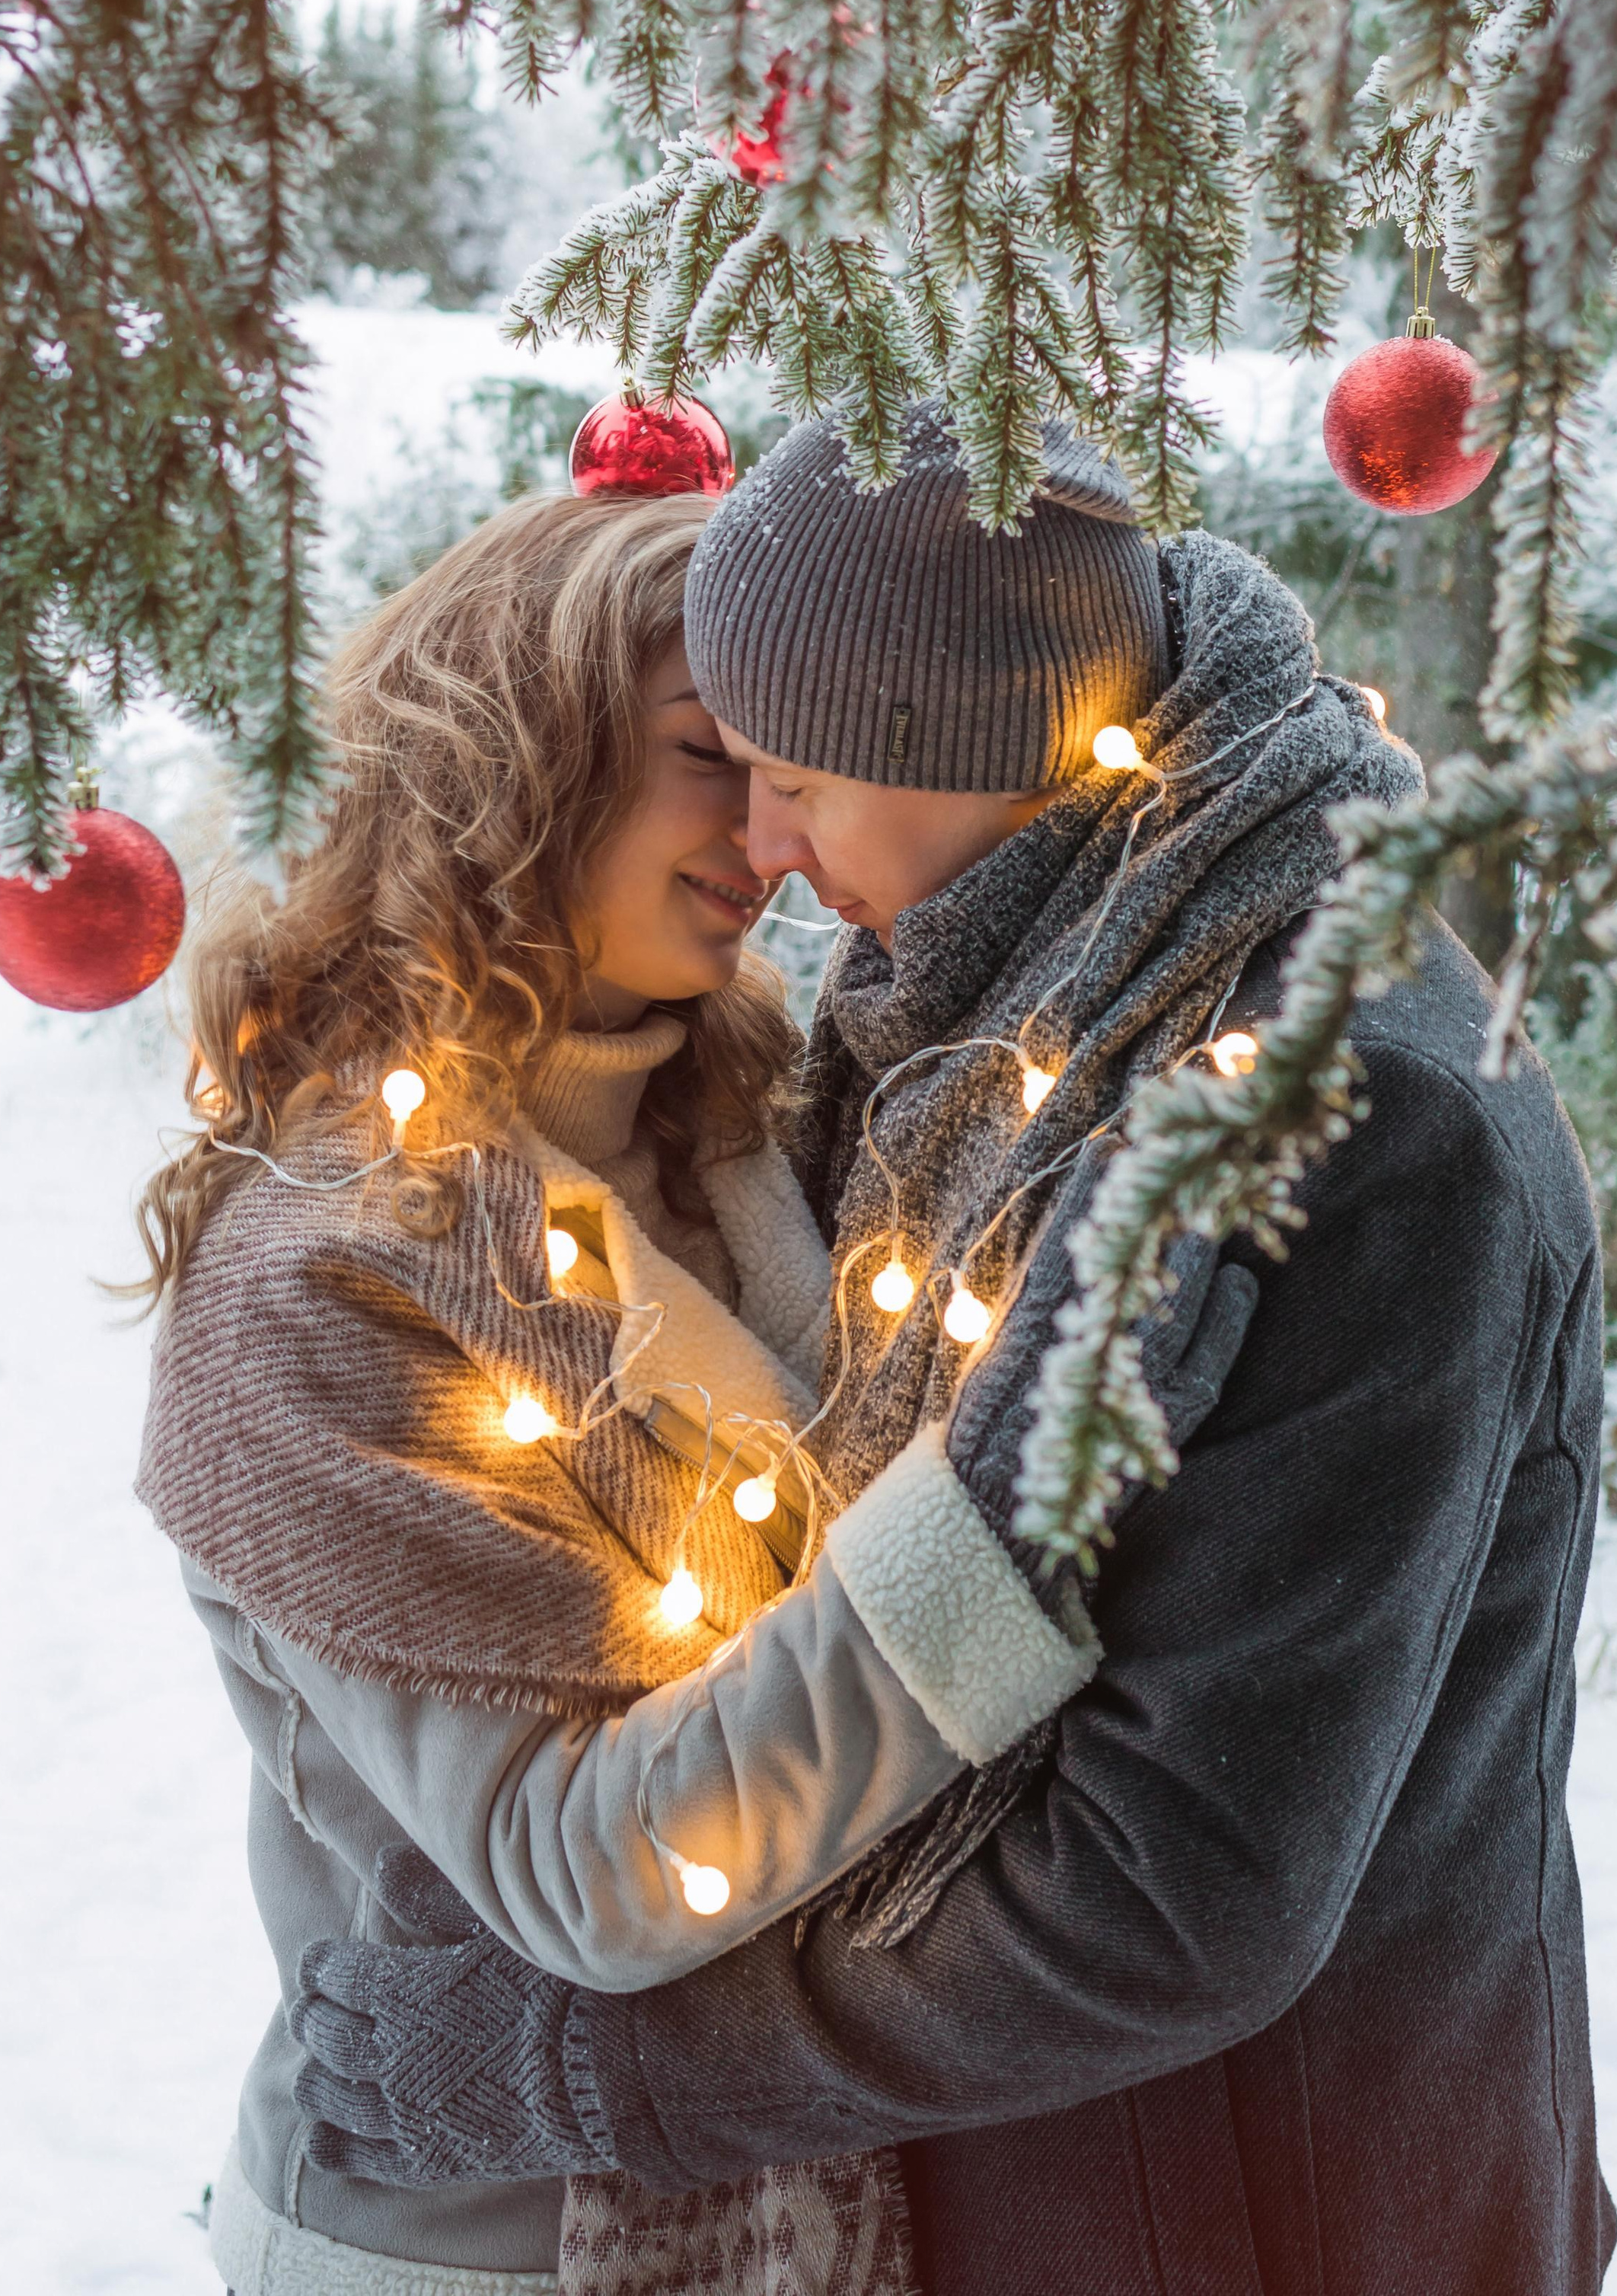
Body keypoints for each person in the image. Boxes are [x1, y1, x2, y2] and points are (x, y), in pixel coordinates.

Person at [293, 406, 1617, 2294]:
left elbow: (1170, 1896)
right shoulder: (998, 981)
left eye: (794, 778)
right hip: (1036, 2182)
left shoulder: (1335, 1118)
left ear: (976, 740)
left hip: (1263, 2210)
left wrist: (597, 2069)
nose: (764, 850)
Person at [132, 487, 1114, 2296]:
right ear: (518, 744)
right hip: (479, 2246)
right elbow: (581, 1873)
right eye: (704, 757)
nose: (770, 836)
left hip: (806, 2184)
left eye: (791, 771)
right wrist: (1008, 1518)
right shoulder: (322, 1278)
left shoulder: (749, 1129)